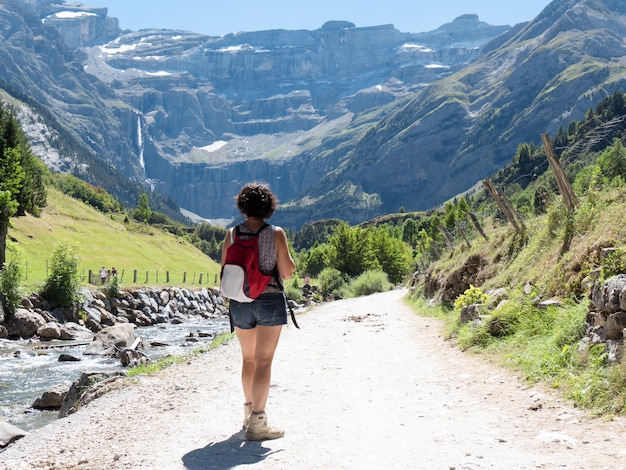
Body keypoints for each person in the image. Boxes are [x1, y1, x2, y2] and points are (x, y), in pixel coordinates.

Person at [221, 182, 296, 441]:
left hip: (240, 301)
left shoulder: (231, 234)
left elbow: (225, 272)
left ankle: (248, 414)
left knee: (248, 360)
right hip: (269, 299)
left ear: (242, 206)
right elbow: (286, 272)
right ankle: (258, 423)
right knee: (264, 362)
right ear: (269, 205)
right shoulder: (275, 233)